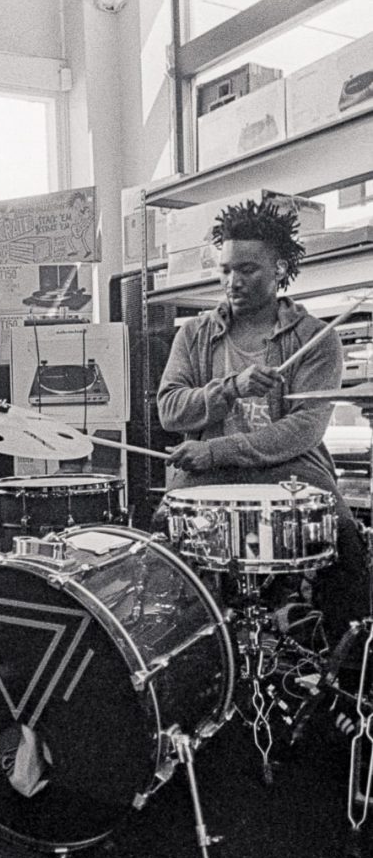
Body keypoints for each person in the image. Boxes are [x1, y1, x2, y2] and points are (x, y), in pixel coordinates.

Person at [157, 198, 368, 643]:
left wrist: (214, 449)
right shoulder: (194, 335)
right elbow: (170, 409)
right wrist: (231, 388)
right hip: (209, 474)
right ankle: (187, 664)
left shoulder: (315, 339)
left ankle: (347, 675)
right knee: (160, 546)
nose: (233, 282)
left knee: (345, 541)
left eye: (248, 269)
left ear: (281, 268)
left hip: (290, 471)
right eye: (226, 269)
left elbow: (303, 429)